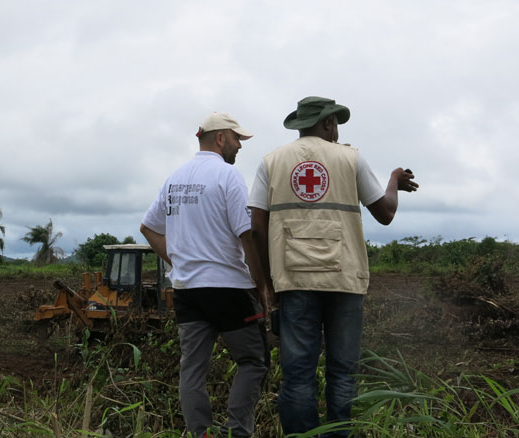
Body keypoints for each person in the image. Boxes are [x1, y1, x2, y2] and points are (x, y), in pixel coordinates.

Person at [248, 97, 418, 437]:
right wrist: (393, 180)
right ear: (327, 124)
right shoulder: (350, 159)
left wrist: (267, 283)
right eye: (335, 123)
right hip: (345, 281)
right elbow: (385, 213)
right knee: (343, 372)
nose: (337, 130)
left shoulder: (271, 161)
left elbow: (256, 227)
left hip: (294, 281)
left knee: (298, 374)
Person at [141, 112, 268, 438]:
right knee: (253, 361)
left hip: (187, 289)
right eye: (237, 138)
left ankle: (202, 434)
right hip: (227, 287)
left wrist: (180, 259)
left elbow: (148, 227)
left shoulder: (174, 178)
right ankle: (237, 432)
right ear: (221, 138)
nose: (240, 145)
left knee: (192, 370)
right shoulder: (228, 175)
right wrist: (261, 284)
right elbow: (247, 234)